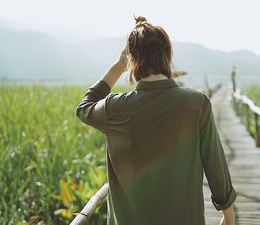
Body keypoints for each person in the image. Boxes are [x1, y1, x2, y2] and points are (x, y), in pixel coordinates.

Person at [75, 16, 237, 225]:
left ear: (131, 60)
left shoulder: (114, 107)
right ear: (167, 56)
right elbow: (214, 163)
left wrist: (118, 65)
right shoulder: (197, 104)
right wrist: (228, 214)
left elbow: (84, 107)